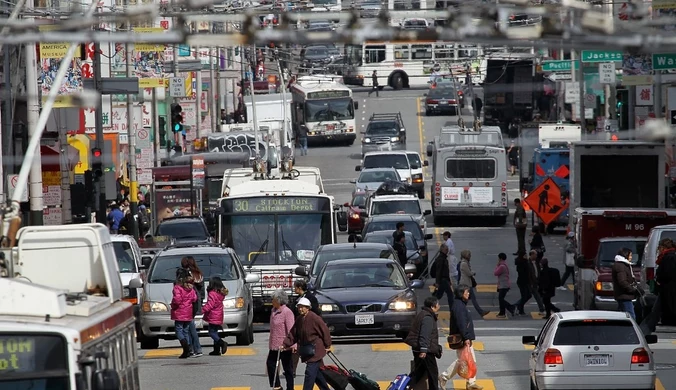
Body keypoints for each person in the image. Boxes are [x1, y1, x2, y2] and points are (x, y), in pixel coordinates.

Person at [282, 297, 332, 390]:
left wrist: (327, 345)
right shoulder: (299, 319)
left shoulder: (315, 318)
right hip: (307, 350)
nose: (300, 309)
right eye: (299, 307)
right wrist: (285, 344)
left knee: (309, 373)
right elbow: (293, 334)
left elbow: (325, 331)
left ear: (308, 308)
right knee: (316, 374)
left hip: (316, 350)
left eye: (302, 307)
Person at [439, 285, 483, 390]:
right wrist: (466, 337)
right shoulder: (459, 306)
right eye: (466, 292)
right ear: (461, 294)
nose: (468, 294)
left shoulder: (460, 304)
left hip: (464, 337)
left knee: (470, 360)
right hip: (462, 338)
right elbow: (461, 323)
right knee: (462, 361)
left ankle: (471, 383)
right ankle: (444, 377)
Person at [405, 297, 442, 390]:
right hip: (425, 351)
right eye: (438, 304)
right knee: (432, 373)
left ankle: (406, 386)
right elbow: (424, 335)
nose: (439, 306)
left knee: (418, 373)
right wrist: (424, 350)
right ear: (433, 306)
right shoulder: (428, 318)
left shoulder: (422, 314)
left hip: (420, 349)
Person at [642, 239, 676, 334]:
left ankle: (645, 330)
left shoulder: (669, 257)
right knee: (656, 311)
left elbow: (668, 273)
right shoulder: (670, 256)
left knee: (656, 311)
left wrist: (659, 279)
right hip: (667, 289)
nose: (658, 251)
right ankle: (646, 329)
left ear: (663, 247)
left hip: (668, 289)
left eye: (659, 248)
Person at [268, 289, 295, 390]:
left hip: (285, 345)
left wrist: (293, 345)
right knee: (270, 365)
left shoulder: (287, 312)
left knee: (288, 369)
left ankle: (290, 388)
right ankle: (277, 386)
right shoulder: (273, 310)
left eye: (273, 299)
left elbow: (291, 329)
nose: (272, 301)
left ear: (279, 300)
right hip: (274, 345)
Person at [292, 280, 320, 376]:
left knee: (312, 351)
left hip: (309, 329)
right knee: (295, 350)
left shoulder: (311, 298)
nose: (294, 289)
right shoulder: (298, 298)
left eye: (295, 287)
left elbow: (316, 313)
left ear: (299, 288)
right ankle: (293, 370)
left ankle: (321, 370)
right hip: (299, 327)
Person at [171, 268, 197, 359]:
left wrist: (173, 305)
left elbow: (177, 300)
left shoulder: (177, 288)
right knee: (186, 330)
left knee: (179, 330)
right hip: (188, 312)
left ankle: (185, 347)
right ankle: (189, 348)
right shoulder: (191, 288)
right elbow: (194, 298)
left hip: (179, 311)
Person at [181, 256, 204, 357]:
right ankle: (195, 349)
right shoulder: (198, 273)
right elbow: (202, 291)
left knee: (189, 327)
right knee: (191, 326)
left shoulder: (186, 274)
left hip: (188, 303)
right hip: (196, 301)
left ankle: (195, 349)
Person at [201, 276, 229, 356]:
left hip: (213, 315)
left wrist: (202, 310)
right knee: (215, 332)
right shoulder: (220, 293)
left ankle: (222, 343)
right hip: (219, 315)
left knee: (211, 332)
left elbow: (210, 304)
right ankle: (216, 350)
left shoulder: (212, 293)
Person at [458, 250, 489, 317]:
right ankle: (480, 312)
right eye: (469, 255)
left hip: (467, 283)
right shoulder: (464, 264)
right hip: (465, 284)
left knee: (466, 299)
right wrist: (473, 272)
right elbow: (469, 273)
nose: (470, 257)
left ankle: (480, 312)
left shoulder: (466, 263)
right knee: (466, 299)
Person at [515, 250, 546, 315]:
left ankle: (518, 305)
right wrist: (531, 282)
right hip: (530, 282)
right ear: (531, 255)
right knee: (536, 295)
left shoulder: (536, 262)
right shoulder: (527, 263)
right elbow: (528, 274)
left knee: (528, 296)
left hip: (536, 281)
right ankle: (542, 309)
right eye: (535, 254)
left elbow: (538, 271)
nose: (536, 256)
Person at [612, 248, 638, 320]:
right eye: (630, 255)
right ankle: (630, 331)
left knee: (622, 316)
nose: (631, 257)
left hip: (624, 295)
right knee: (631, 317)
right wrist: (632, 289)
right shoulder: (621, 266)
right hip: (624, 295)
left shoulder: (623, 265)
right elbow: (622, 281)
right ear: (626, 255)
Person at [494, 253, 515, 318]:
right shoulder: (504, 265)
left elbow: (495, 273)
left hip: (503, 285)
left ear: (500, 258)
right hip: (504, 284)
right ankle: (503, 311)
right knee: (501, 299)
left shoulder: (501, 266)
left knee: (501, 299)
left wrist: (497, 266)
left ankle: (508, 309)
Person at [434, 244, 454, 310]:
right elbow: (438, 271)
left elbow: (446, 271)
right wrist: (437, 282)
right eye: (446, 250)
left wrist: (449, 280)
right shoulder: (441, 259)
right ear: (442, 250)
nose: (447, 251)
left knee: (438, 295)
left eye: (447, 249)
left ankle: (430, 303)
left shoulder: (444, 258)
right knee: (450, 295)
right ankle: (452, 309)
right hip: (443, 280)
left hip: (445, 280)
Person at [514, 251, 530, 316]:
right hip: (522, 281)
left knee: (528, 295)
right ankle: (520, 309)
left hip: (524, 281)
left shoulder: (523, 262)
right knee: (524, 296)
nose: (527, 257)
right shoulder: (523, 263)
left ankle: (518, 306)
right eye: (525, 255)